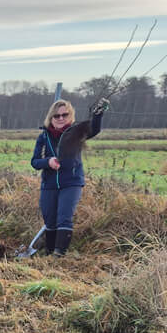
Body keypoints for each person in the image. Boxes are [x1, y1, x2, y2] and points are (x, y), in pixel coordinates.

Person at [30, 97, 108, 257]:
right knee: (49, 218)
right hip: (49, 184)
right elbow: (35, 161)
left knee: (64, 217)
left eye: (64, 115)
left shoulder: (77, 132)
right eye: (56, 116)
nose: (60, 118)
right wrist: (48, 161)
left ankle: (59, 255)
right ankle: (49, 252)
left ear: (70, 116)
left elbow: (94, 129)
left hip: (71, 182)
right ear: (50, 117)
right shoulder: (43, 137)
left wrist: (98, 115)